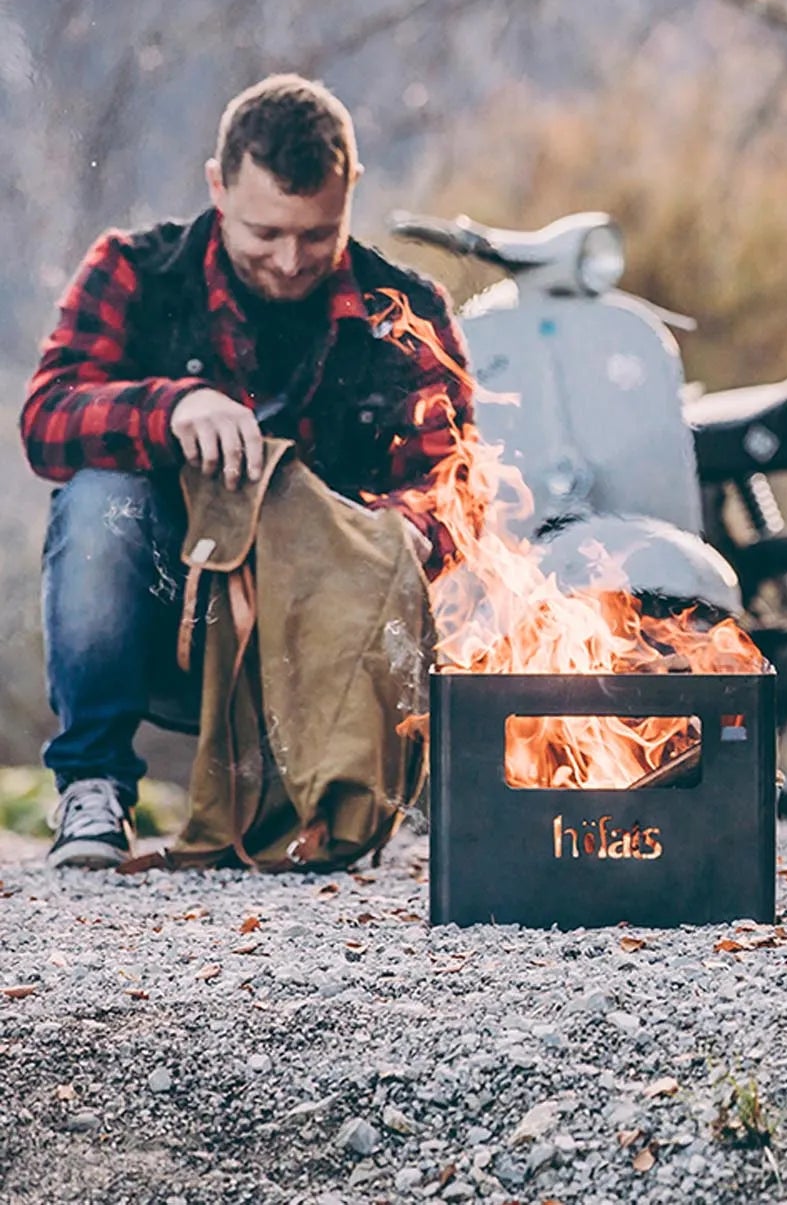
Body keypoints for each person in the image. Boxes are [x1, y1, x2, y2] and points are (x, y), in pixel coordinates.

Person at [21, 73, 471, 869]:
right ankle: (92, 784)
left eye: (318, 233)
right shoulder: (132, 269)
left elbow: (453, 485)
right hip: (168, 628)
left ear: (351, 190)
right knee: (98, 498)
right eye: (265, 234)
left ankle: (374, 790)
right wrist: (168, 409)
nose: (292, 260)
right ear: (217, 186)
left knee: (405, 550)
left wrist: (392, 536)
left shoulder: (409, 310)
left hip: (323, 647)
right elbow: (46, 420)